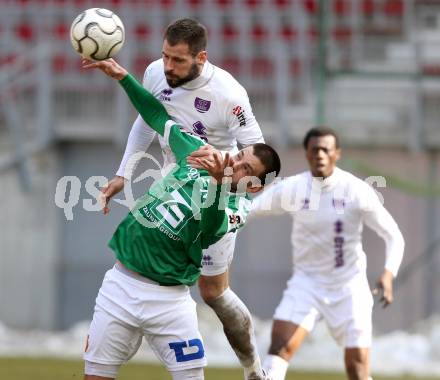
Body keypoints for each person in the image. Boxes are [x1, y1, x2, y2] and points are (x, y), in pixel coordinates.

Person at [81, 57, 281, 380]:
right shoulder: (200, 151)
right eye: (240, 156)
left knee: (214, 295)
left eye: (246, 169)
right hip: (121, 282)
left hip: (170, 300)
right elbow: (157, 116)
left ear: (254, 186)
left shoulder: (236, 209)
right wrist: (122, 77)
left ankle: (254, 370)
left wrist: (217, 184)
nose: (236, 164)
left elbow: (210, 229)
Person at [246, 127, 405, 380]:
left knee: (358, 369)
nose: (319, 154)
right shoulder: (294, 188)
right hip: (306, 284)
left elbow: (393, 234)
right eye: (314, 149)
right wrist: (220, 226)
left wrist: (388, 274)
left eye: (325, 149)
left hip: (349, 287)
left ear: (336, 154)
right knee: (279, 348)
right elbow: (249, 211)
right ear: (307, 154)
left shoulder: (356, 190)